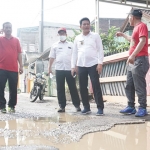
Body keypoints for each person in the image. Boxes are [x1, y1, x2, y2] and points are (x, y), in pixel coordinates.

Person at [116, 9, 149, 117]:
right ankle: (131, 106)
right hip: (133, 61)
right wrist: (123, 35)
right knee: (129, 84)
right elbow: (133, 40)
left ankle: (142, 108)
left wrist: (133, 55)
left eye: (129, 17)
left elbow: (143, 41)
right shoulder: (136, 28)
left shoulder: (142, 26)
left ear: (132, 17)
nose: (129, 19)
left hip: (139, 60)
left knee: (139, 85)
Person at [71, 17, 104, 116]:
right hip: (81, 65)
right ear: (80, 26)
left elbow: (100, 49)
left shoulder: (95, 36)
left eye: (88, 24)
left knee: (96, 86)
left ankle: (100, 108)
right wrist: (73, 66)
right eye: (84, 24)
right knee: (82, 87)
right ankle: (86, 107)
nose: (86, 26)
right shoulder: (77, 38)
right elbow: (74, 53)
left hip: (93, 64)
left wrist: (100, 63)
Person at [48, 28, 81, 113]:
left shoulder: (71, 45)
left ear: (66, 34)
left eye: (63, 33)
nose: (62, 35)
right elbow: (52, 57)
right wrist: (49, 68)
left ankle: (77, 105)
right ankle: (62, 106)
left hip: (70, 69)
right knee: (60, 88)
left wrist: (76, 67)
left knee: (72, 87)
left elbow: (75, 56)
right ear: (58, 35)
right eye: (60, 34)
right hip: (59, 69)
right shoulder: (55, 45)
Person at [0, 22, 23, 113]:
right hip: (1, 68)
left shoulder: (16, 40)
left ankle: (11, 106)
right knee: (0, 88)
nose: (8, 29)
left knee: (13, 88)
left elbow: (19, 53)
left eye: (10, 27)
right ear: (3, 29)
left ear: (12, 29)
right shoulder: (1, 39)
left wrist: (21, 65)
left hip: (13, 68)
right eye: (6, 27)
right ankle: (2, 106)